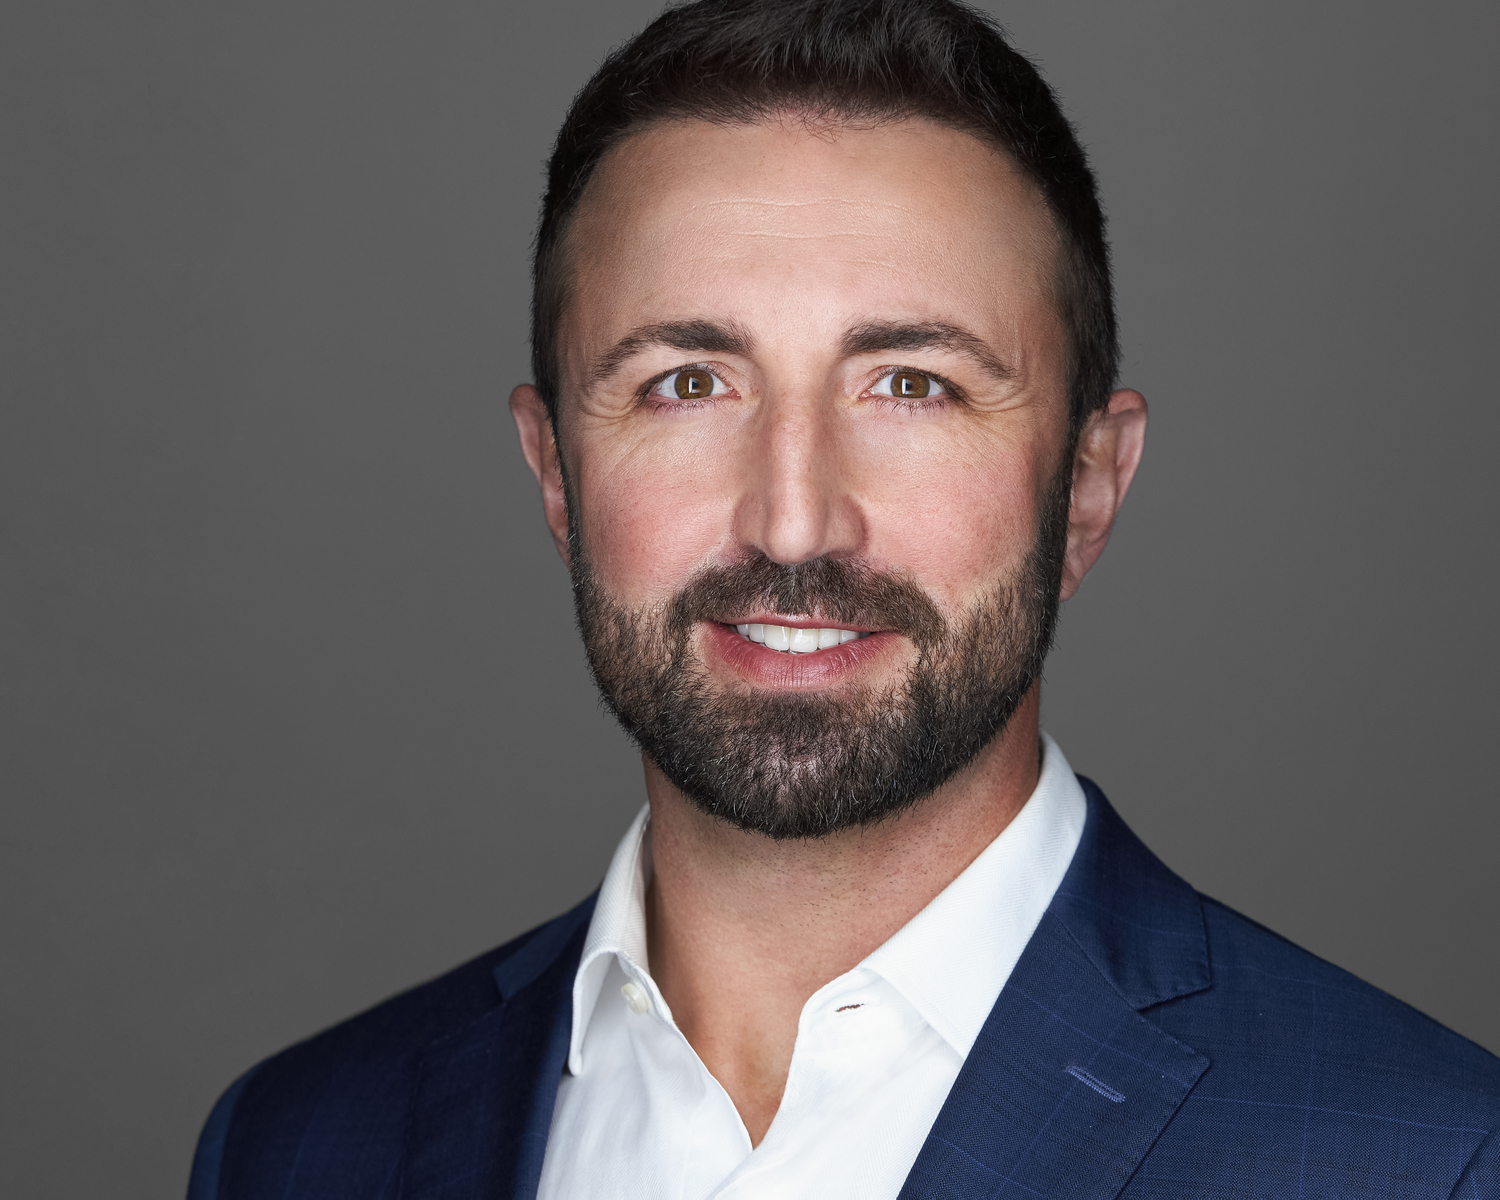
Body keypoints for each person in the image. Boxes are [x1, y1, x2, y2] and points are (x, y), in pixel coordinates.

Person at [186, 1, 1500, 1196]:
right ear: (554, 472)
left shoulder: (1429, 1161)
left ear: (1089, 485)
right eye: (687, 384)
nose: (794, 519)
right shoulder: (295, 1145)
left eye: (914, 385)